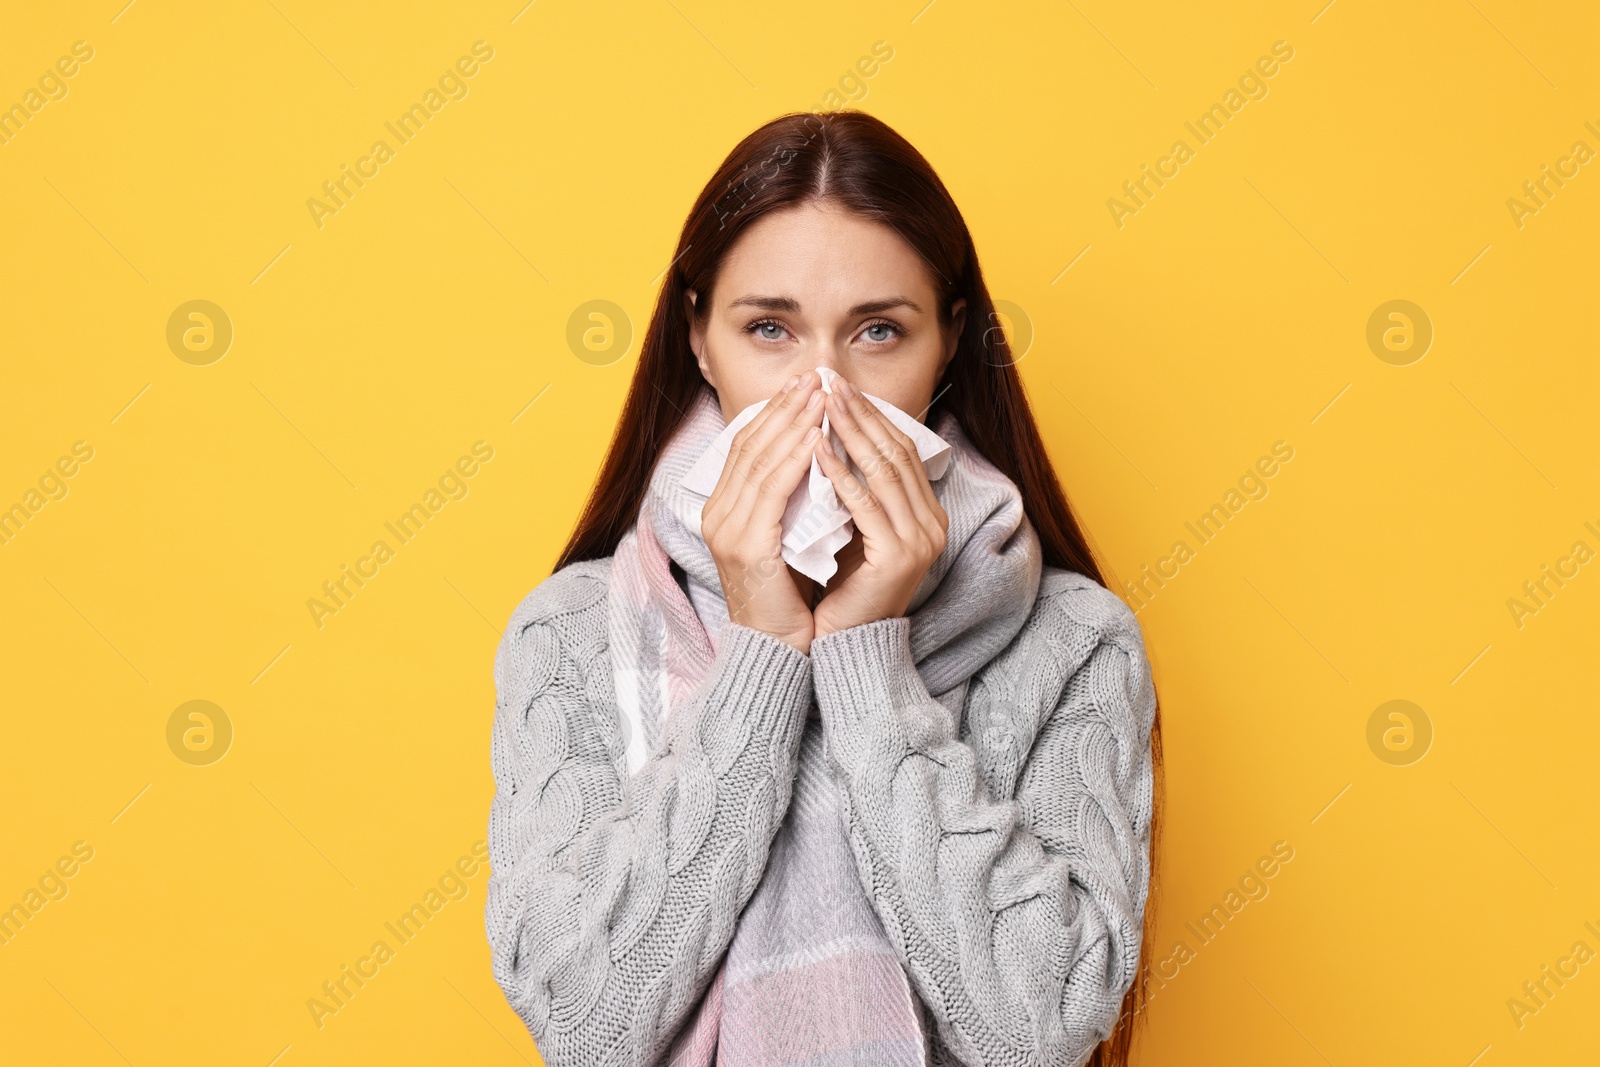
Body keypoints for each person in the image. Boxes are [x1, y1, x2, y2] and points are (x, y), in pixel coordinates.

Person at [484, 109, 1164, 1067]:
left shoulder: (1078, 641)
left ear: (948, 347)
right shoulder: (567, 636)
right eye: (770, 329)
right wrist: (760, 654)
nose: (825, 392)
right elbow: (584, 1023)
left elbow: (1038, 1029)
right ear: (699, 340)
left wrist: (866, 664)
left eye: (878, 331)